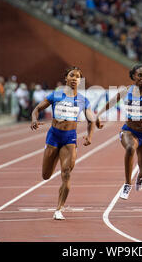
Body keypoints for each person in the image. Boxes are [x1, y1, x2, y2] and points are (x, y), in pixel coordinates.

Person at [95, 64, 142, 200]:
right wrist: (98, 115)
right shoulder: (125, 91)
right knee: (130, 148)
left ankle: (141, 176)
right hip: (129, 130)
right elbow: (111, 103)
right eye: (140, 75)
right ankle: (127, 184)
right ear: (133, 76)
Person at [31, 66, 95, 220]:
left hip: (69, 138)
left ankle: (59, 208)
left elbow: (91, 120)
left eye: (77, 77)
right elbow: (37, 109)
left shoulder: (82, 100)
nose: (74, 79)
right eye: (72, 75)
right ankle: (52, 163)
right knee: (46, 175)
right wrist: (34, 119)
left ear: (80, 81)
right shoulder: (56, 95)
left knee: (66, 173)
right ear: (66, 78)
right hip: (53, 136)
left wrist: (89, 136)